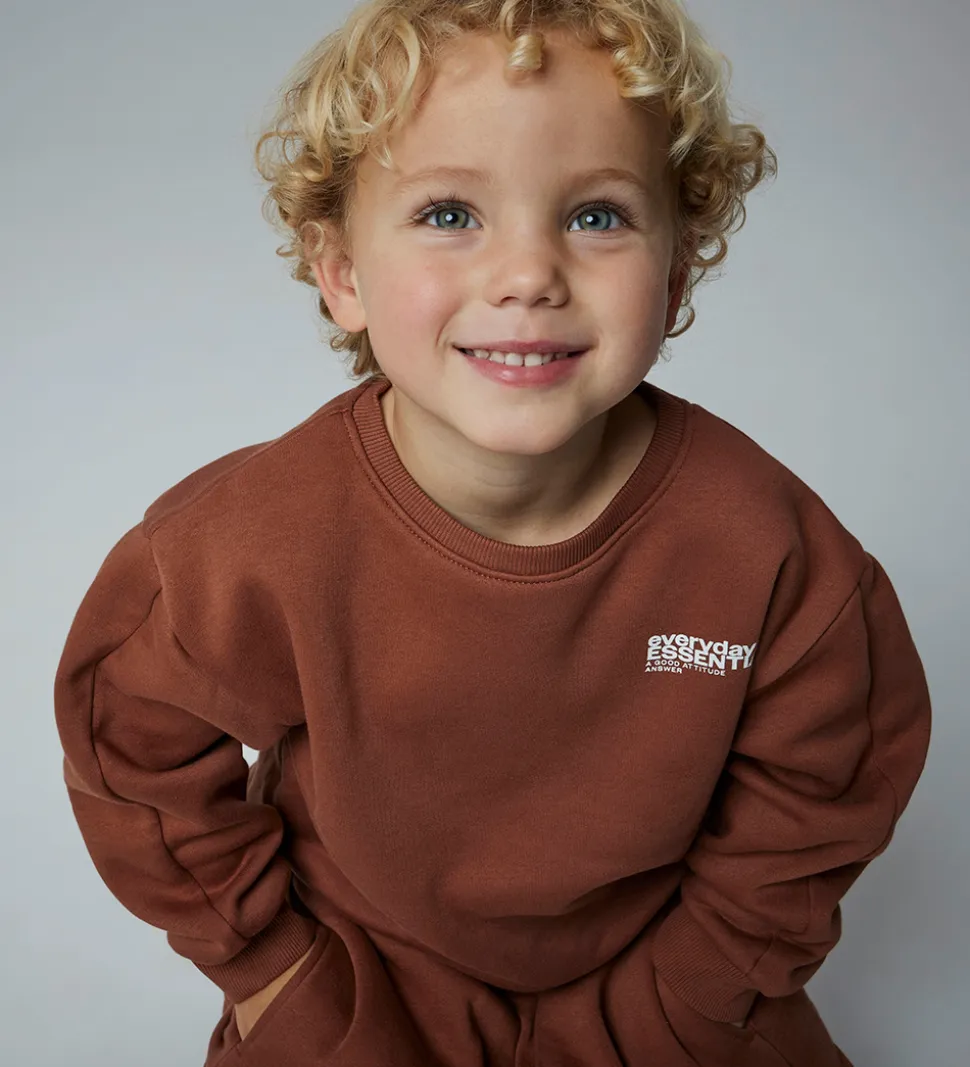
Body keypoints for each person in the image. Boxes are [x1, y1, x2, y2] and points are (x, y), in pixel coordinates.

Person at [52, 1, 932, 1064]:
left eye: (597, 215)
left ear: (676, 273)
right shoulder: (247, 541)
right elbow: (127, 728)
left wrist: (700, 992)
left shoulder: (768, 549)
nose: (528, 274)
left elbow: (830, 777)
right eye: (449, 213)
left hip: (668, 979)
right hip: (362, 981)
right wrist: (272, 967)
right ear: (342, 272)